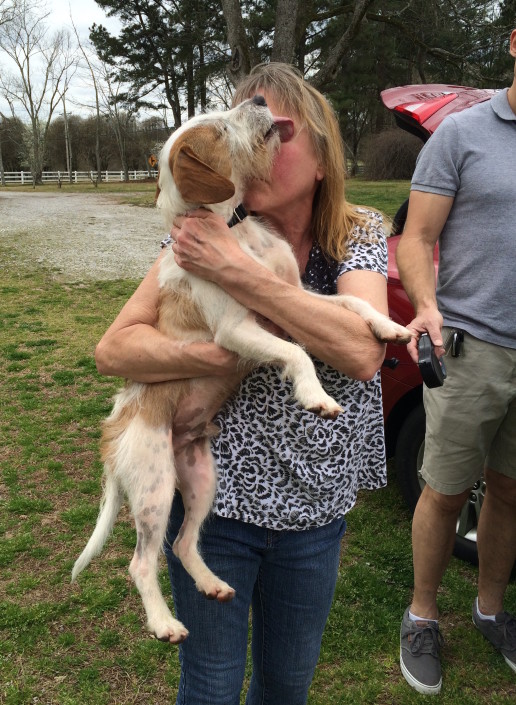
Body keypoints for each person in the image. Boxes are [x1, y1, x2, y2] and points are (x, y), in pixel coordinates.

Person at [95, 62, 393, 705]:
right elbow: (114, 349)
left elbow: (363, 355)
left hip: (314, 506)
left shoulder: (358, 231)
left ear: (322, 161)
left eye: (278, 130)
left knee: (286, 686)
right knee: (210, 684)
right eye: (245, 129)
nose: (254, 142)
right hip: (219, 501)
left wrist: (240, 275)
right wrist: (217, 354)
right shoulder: (200, 235)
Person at [396, 29, 516, 696]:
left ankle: (491, 610)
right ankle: (421, 613)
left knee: (510, 489)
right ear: (514, 43)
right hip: (472, 346)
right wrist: (425, 305)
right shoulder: (463, 135)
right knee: (444, 491)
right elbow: (416, 236)